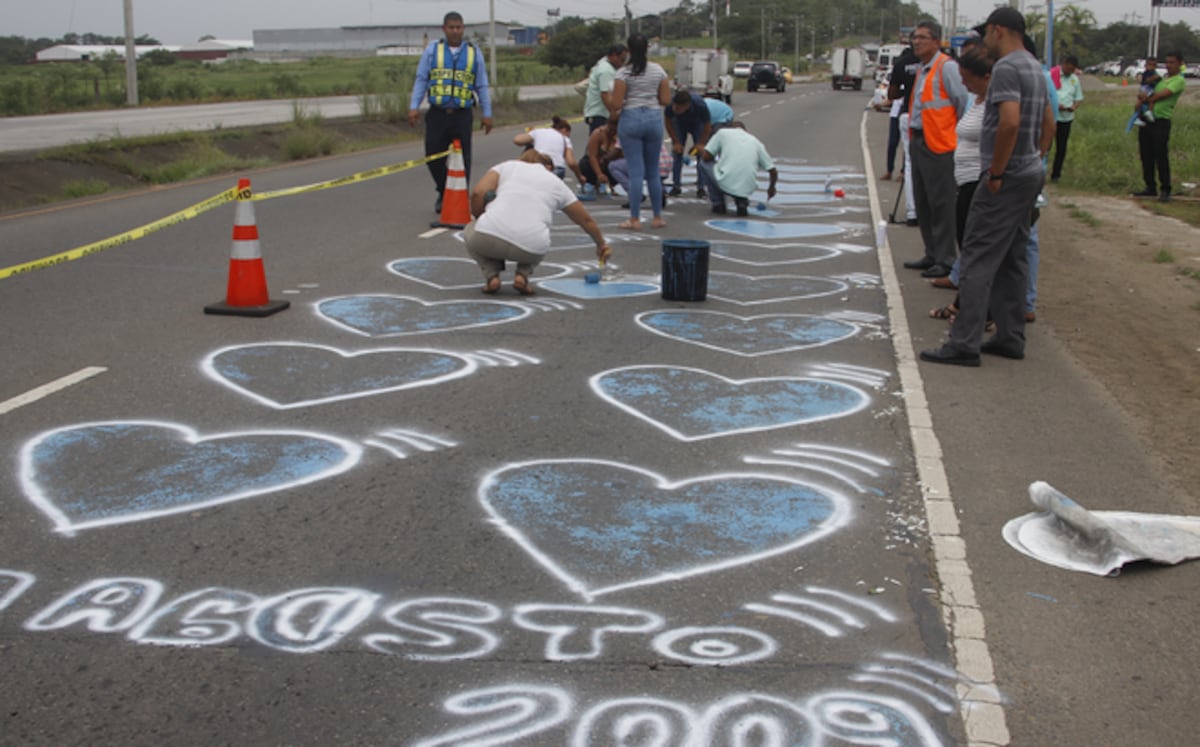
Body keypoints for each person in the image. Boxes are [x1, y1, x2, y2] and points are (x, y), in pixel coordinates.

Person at [921, 7, 1054, 366]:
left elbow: (1009, 122)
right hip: (1029, 171)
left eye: (986, 35)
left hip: (1006, 175)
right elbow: (1048, 122)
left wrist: (996, 172)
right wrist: (1035, 157)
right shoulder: (1034, 67)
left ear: (998, 30)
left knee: (978, 256)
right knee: (1012, 255)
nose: (984, 43)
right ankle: (1011, 336)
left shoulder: (1008, 68)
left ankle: (963, 342)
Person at [463, 149, 611, 296]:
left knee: (471, 229)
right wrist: (601, 244)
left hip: (488, 237)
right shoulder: (557, 184)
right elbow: (586, 220)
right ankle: (522, 275)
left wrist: (480, 216)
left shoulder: (508, 166)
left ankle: (492, 276)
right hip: (530, 248)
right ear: (549, 168)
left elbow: (478, 192)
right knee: (542, 234)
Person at [901, 20, 971, 279]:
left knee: (941, 203)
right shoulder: (923, 69)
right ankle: (932, 253)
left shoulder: (946, 67)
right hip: (919, 140)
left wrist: (956, 136)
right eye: (914, 37)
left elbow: (963, 101)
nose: (916, 42)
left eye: (921, 37)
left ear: (935, 41)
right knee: (924, 202)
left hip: (940, 144)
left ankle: (946, 258)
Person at [408, 11, 493, 214]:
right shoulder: (432, 51)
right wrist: (414, 107)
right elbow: (421, 79)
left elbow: (481, 85)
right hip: (437, 113)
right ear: (444, 29)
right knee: (433, 157)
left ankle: (458, 198)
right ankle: (444, 190)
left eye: (459, 27)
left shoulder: (474, 52)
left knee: (463, 160)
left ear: (463, 29)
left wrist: (487, 113)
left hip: (462, 115)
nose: (455, 31)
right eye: (451, 27)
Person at [609, 33, 672, 230]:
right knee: (652, 172)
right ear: (647, 48)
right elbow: (665, 100)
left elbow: (617, 104)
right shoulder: (658, 70)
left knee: (636, 172)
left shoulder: (623, 73)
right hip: (653, 118)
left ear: (628, 49)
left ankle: (634, 218)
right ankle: (657, 217)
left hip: (631, 118)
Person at [1133, 52, 1186, 202]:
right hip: (1147, 119)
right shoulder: (1162, 79)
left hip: (1161, 121)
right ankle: (1150, 187)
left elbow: (1160, 95)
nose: (1169, 65)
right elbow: (1147, 89)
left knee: (1160, 155)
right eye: (1167, 62)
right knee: (1146, 154)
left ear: (1180, 63)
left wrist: (1146, 98)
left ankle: (1165, 189)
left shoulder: (1178, 80)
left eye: (1172, 62)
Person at [697, 121, 778, 216]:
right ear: (745, 131)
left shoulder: (723, 133)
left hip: (725, 181)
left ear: (731, 128)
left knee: (703, 163)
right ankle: (741, 201)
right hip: (748, 187)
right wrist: (771, 188)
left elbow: (707, 157)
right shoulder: (756, 142)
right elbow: (773, 170)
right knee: (737, 173)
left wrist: (700, 150)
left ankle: (718, 203)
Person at [887, 41, 921, 226]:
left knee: (910, 163)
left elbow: (892, 94)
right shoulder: (940, 62)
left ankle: (912, 211)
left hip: (908, 114)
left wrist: (906, 91)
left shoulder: (902, 63)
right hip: (935, 117)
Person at [663, 90, 713, 197]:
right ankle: (676, 186)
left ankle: (701, 187)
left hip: (697, 123)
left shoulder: (699, 105)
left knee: (700, 154)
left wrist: (701, 143)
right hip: (679, 124)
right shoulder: (670, 105)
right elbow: (668, 122)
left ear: (687, 105)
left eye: (679, 108)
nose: (675, 109)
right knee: (677, 153)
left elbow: (707, 125)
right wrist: (676, 142)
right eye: (675, 107)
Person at [512, 116, 585, 185]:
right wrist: (580, 176)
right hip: (557, 169)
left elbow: (517, 140)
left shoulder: (538, 132)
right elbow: (571, 162)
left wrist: (532, 139)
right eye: (569, 134)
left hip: (538, 167)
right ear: (565, 130)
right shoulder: (565, 139)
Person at [1048, 55, 1083, 182]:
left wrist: (1073, 107)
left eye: (1072, 69)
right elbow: (1046, 94)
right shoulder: (1052, 75)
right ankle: (1041, 169)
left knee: (1061, 147)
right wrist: (1055, 105)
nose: (1070, 71)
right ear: (1064, 64)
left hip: (1066, 117)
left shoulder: (1074, 79)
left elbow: (1079, 97)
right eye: (1069, 68)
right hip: (1052, 116)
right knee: (1046, 145)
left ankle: (1056, 174)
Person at [583, 45, 627, 133]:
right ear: (614, 55)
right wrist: (614, 115)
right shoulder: (606, 71)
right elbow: (605, 94)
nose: (622, 63)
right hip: (600, 115)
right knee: (600, 143)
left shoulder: (602, 64)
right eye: (621, 59)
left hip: (597, 113)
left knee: (597, 143)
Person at [579, 121, 621, 193]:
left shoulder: (621, 136)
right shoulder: (598, 133)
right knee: (584, 164)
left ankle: (611, 185)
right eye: (611, 129)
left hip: (610, 164)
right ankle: (594, 182)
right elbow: (592, 156)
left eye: (615, 130)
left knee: (618, 166)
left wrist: (616, 146)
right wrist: (599, 174)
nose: (612, 132)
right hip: (595, 163)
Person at [1131, 58, 1161, 127]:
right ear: (1145, 65)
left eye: (1154, 65)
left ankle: (1146, 113)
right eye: (1150, 65)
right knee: (1149, 99)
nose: (1152, 67)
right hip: (1146, 88)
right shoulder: (1146, 73)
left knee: (1144, 101)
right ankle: (1146, 113)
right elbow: (1147, 81)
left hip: (1148, 88)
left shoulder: (1154, 73)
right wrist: (1154, 78)